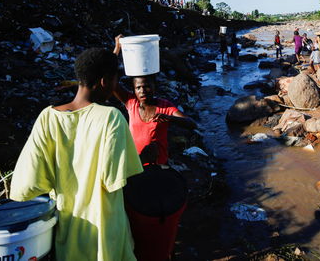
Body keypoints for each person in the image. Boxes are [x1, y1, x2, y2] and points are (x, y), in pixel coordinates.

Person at [10, 48, 142, 260]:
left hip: (68, 228)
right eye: (115, 80)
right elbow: (115, 180)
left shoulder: (47, 117)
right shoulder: (111, 118)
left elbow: (26, 184)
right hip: (106, 230)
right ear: (104, 81)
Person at [112, 36, 195, 165]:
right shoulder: (131, 103)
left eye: (147, 86)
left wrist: (169, 118)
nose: (142, 91)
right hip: (135, 164)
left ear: (155, 87)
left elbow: (190, 123)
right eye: (138, 88)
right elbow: (110, 81)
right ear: (133, 90)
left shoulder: (165, 106)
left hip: (158, 166)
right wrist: (117, 49)